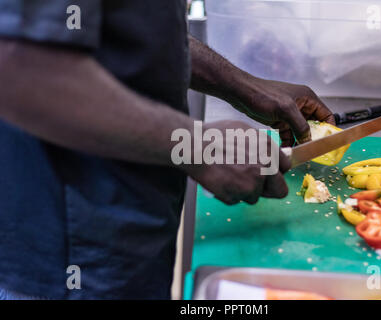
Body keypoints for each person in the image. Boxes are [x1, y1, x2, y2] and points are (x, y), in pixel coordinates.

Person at [0, 0, 334, 299]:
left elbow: (130, 32)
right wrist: (195, 145)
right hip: (72, 259)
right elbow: (22, 68)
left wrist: (241, 86)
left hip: (128, 237)